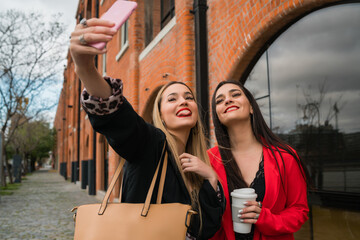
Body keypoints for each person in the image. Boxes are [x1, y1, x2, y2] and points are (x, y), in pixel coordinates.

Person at [69, 18, 225, 239]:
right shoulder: (151, 143)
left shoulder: (197, 165)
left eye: (188, 97)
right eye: (172, 99)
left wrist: (211, 177)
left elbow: (205, 229)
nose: (183, 102)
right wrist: (85, 68)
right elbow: (120, 121)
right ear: (160, 114)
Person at [208, 80, 310, 240]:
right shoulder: (208, 160)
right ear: (217, 116)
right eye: (219, 100)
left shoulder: (286, 156)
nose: (227, 100)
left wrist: (264, 218)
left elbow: (299, 211)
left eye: (235, 94)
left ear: (251, 108)